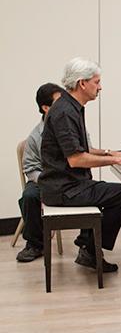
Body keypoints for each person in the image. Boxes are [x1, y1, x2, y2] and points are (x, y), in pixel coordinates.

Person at [39, 57, 121, 274]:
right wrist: (118, 160)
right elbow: (76, 159)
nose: (100, 87)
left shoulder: (70, 105)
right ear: (82, 83)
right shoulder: (64, 111)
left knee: (118, 196)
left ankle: (90, 251)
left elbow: (82, 148)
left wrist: (112, 152)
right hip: (64, 190)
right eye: (97, 82)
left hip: (70, 184)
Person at [16, 83, 63, 262]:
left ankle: (87, 246)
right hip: (43, 180)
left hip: (69, 179)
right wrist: (47, 180)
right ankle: (35, 245)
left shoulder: (72, 125)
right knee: (29, 196)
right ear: (45, 108)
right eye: (58, 103)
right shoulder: (35, 136)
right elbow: (30, 168)